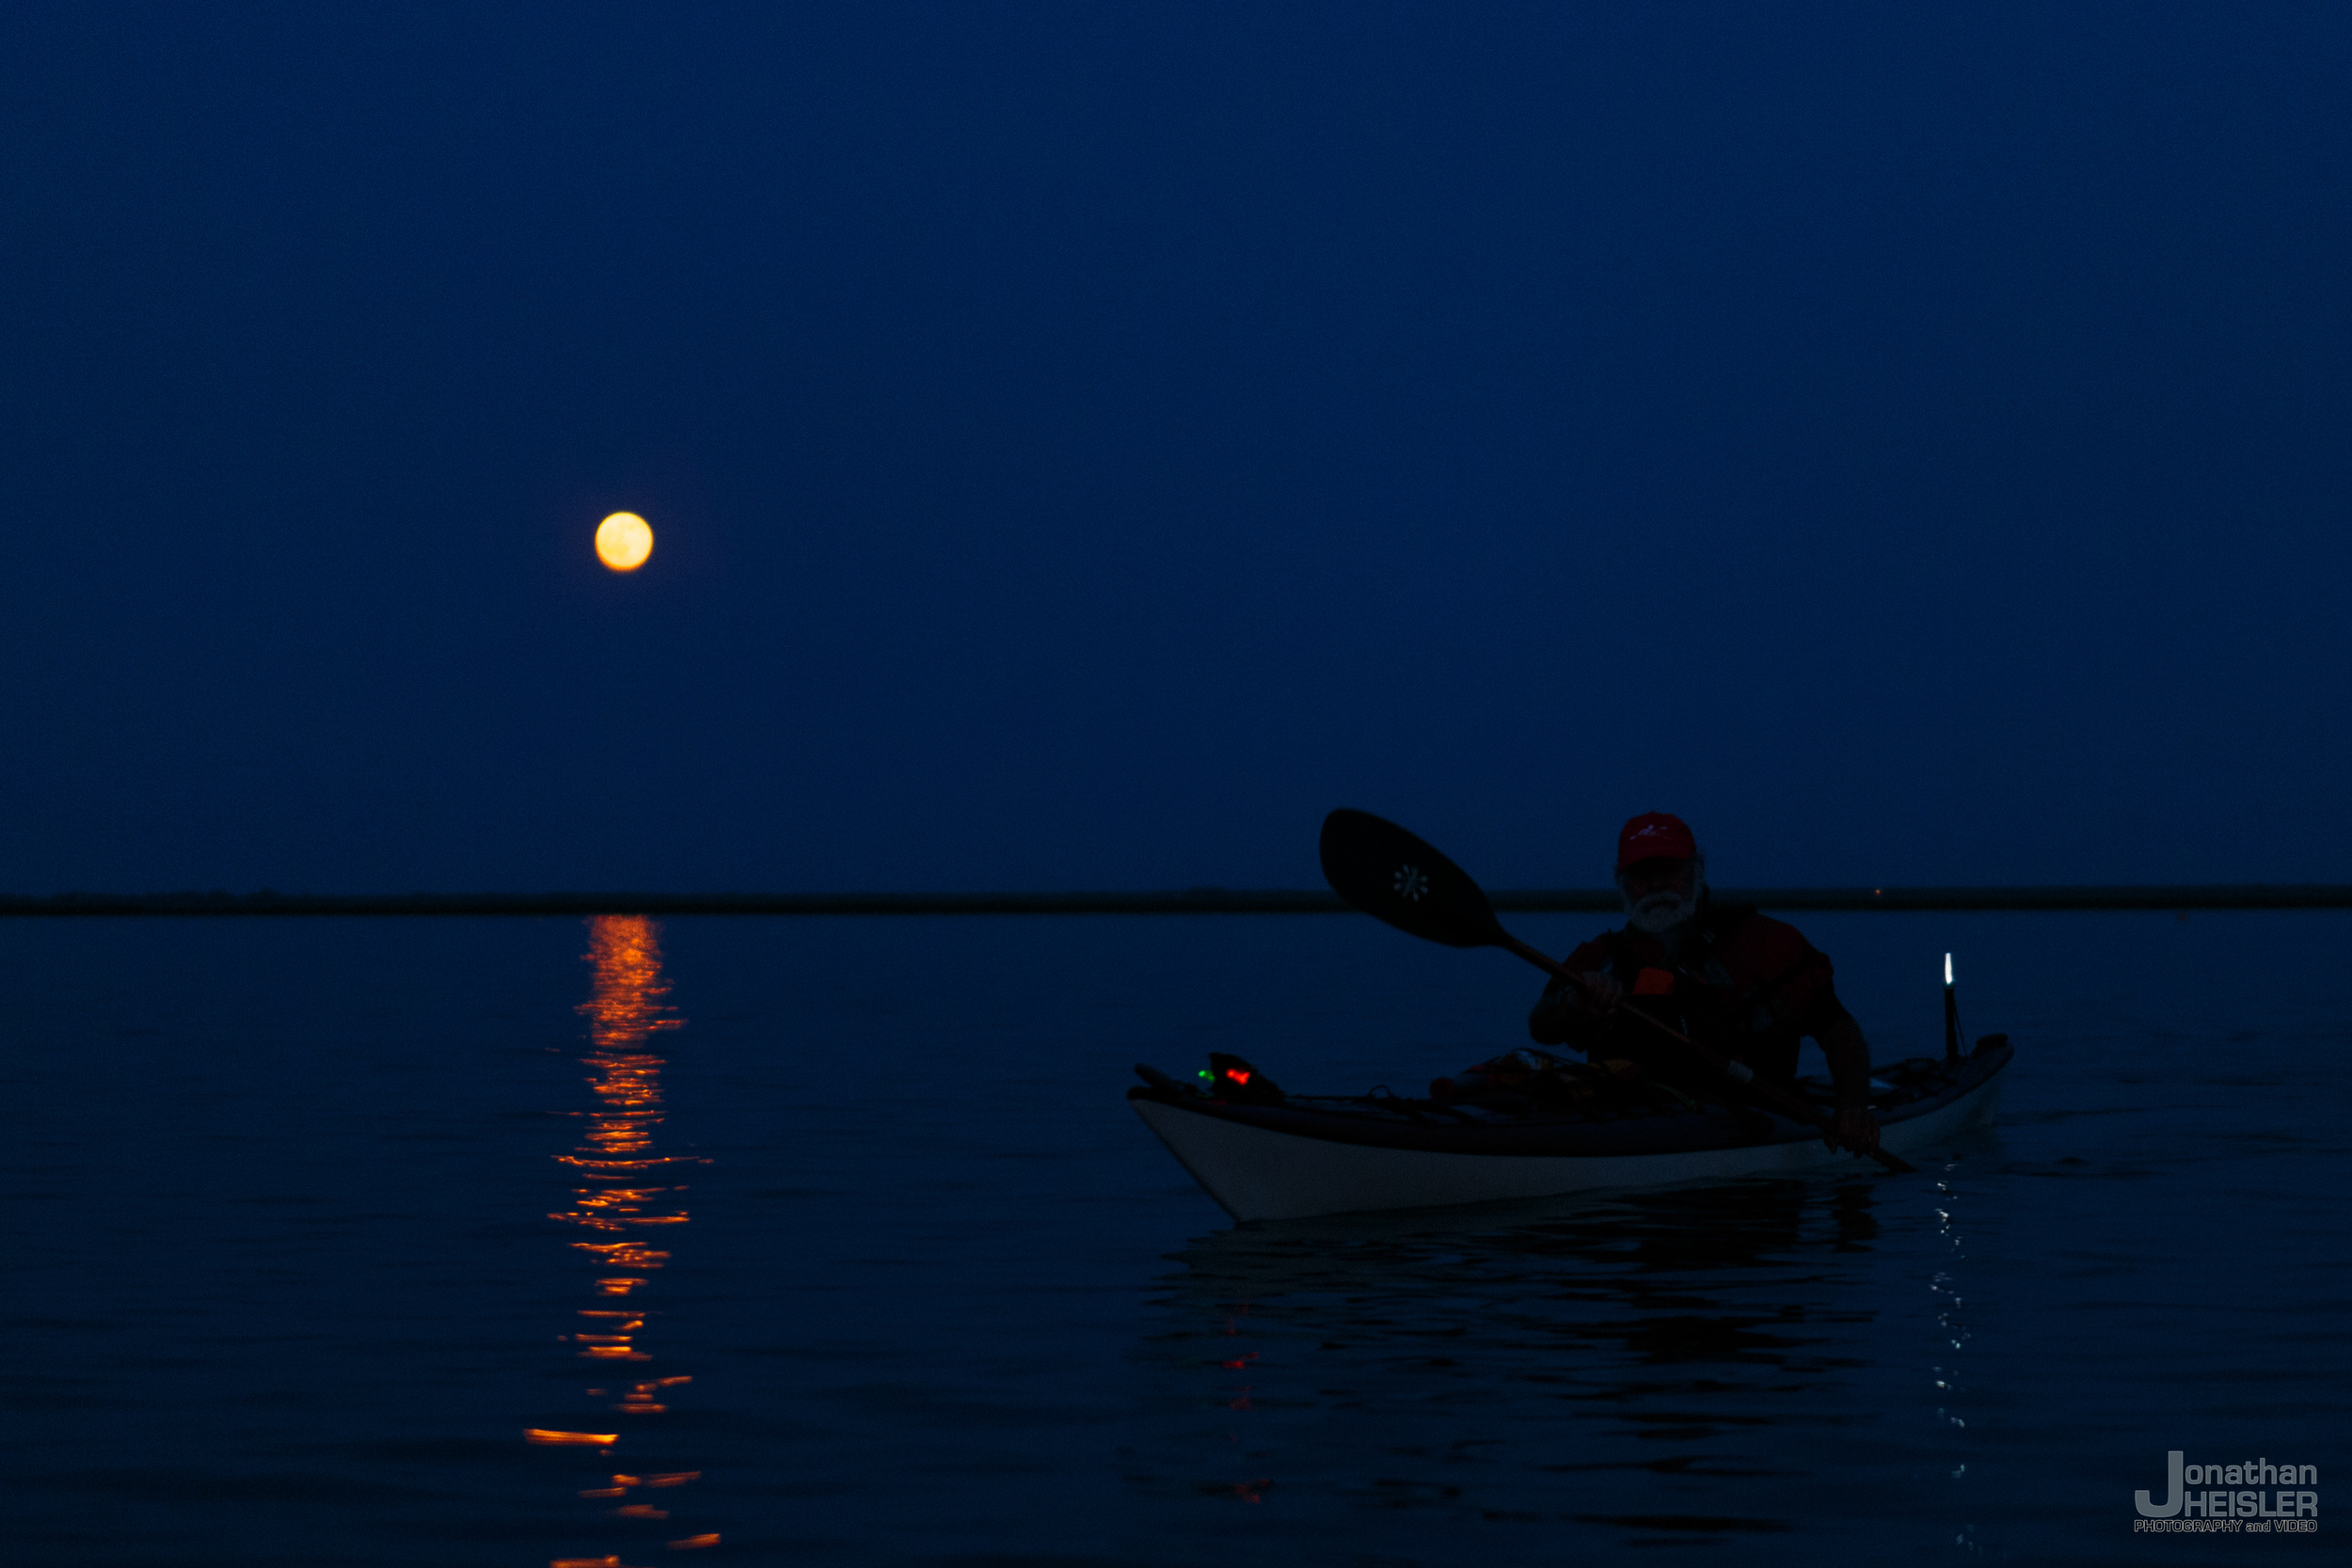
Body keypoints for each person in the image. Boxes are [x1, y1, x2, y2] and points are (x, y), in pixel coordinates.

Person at [1527, 812, 1882, 1154]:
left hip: (1754, 1129)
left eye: (1670, 871)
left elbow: (1838, 1030)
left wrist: (1853, 1108)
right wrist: (1572, 1002)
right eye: (1641, 874)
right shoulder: (1597, 958)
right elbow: (1540, 1027)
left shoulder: (1766, 944)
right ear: (1620, 882)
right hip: (1626, 1122)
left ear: (1697, 870)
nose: (1656, 884)